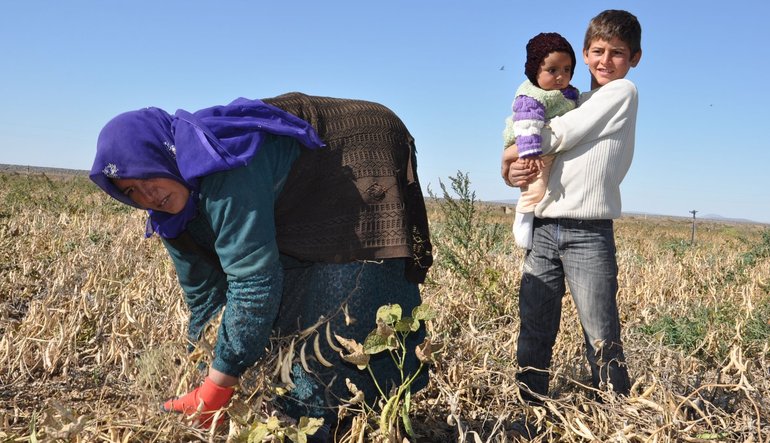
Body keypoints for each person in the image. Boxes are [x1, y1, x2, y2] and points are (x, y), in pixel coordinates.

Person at [90, 92, 433, 437]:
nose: (147, 195)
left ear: (164, 153)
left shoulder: (222, 169)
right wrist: (204, 370)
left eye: (146, 175)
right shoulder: (169, 215)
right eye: (131, 191)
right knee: (282, 334)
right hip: (298, 199)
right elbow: (204, 296)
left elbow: (254, 284)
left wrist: (219, 385)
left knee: (337, 315)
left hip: (357, 158)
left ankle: (347, 418)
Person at [501, 9, 642, 403]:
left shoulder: (620, 94)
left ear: (635, 58)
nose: (606, 60)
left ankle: (615, 412)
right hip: (545, 226)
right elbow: (540, 154)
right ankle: (530, 405)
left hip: (587, 231)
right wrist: (513, 171)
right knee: (535, 325)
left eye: (617, 52)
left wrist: (509, 153)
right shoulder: (575, 98)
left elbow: (557, 134)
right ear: (584, 53)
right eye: (598, 50)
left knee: (600, 331)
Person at [502, 32, 579, 249]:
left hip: (541, 144)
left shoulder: (566, 93)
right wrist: (531, 152)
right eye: (552, 70)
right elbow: (527, 125)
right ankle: (524, 218)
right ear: (535, 71)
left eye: (567, 70)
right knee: (536, 183)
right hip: (529, 145)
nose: (560, 76)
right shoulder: (531, 96)